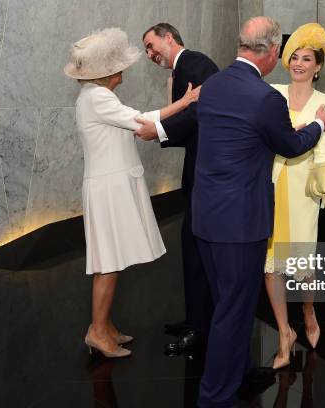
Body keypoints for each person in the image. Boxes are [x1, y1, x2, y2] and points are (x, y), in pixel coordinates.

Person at [192, 16, 325, 407]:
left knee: (231, 305)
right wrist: (320, 126)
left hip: (206, 216)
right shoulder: (266, 97)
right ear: (273, 53)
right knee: (232, 310)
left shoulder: (215, 84)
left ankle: (239, 374)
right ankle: (215, 396)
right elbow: (290, 146)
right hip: (239, 223)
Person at [63, 27, 200, 358]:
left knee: (112, 262)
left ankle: (105, 326)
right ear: (108, 72)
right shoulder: (96, 97)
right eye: (118, 66)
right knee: (108, 264)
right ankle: (97, 332)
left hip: (110, 186)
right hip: (109, 189)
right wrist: (185, 102)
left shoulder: (96, 97)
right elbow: (141, 121)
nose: (123, 70)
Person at [135, 23, 219, 355]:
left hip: (207, 172)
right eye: (146, 51)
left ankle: (200, 327)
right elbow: (188, 121)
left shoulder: (195, 62)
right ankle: (196, 319)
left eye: (152, 45)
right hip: (198, 170)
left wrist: (158, 130)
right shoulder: (183, 68)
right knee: (192, 247)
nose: (150, 54)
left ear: (169, 38)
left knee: (196, 247)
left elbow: (202, 112)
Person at [264, 22, 325, 370]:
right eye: (294, 57)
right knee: (271, 265)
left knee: (302, 265)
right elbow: (268, 135)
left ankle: (308, 308)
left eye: (306, 58)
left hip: (304, 189)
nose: (298, 63)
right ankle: (284, 332)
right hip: (273, 183)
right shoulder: (273, 93)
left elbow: (321, 146)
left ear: (317, 66)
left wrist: (324, 184)